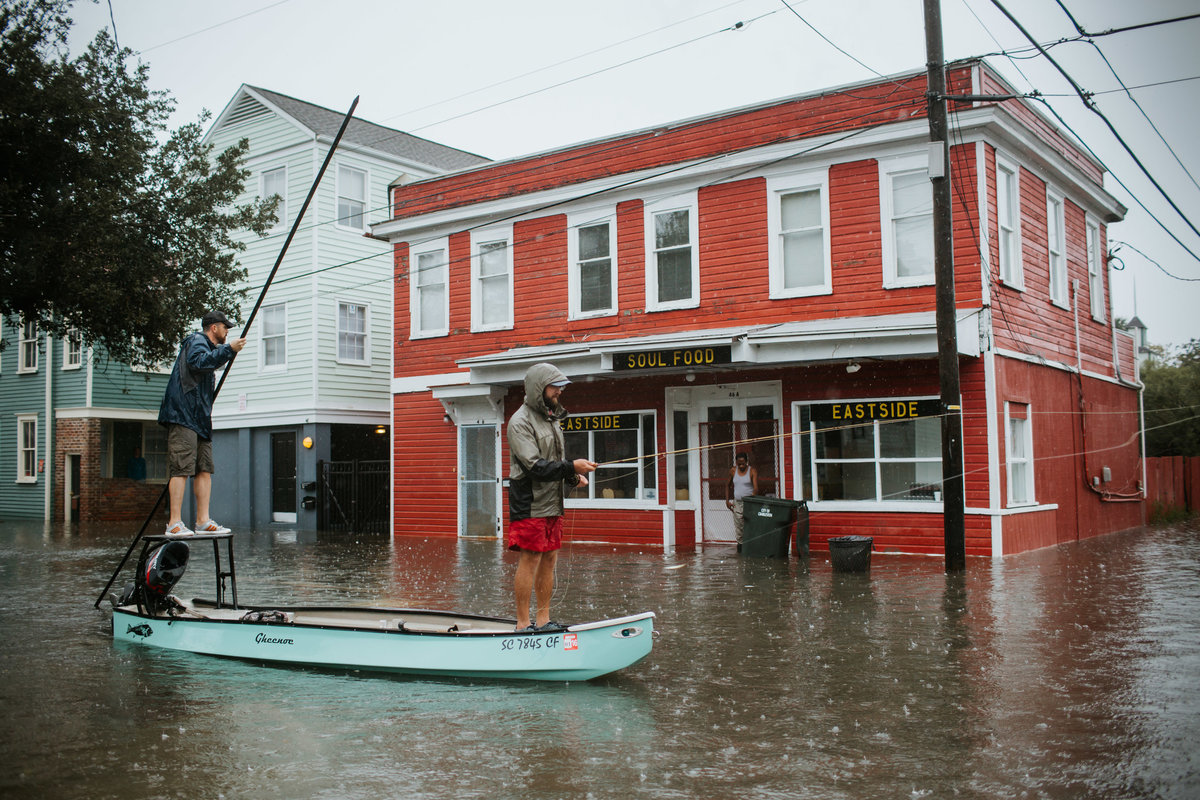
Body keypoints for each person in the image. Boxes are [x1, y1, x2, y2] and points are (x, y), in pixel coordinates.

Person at [506, 362, 597, 632]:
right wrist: (572, 467)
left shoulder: (551, 419)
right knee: (531, 558)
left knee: (550, 558)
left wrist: (572, 477)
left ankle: (543, 621)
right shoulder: (519, 422)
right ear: (538, 388)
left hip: (552, 501)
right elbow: (534, 466)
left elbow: (554, 461)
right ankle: (523, 623)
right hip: (529, 500)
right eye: (554, 386)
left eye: (561, 387)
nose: (559, 391)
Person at [157, 310, 246, 536]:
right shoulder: (197, 341)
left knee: (204, 469)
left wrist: (225, 351)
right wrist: (229, 349)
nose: (227, 331)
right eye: (225, 327)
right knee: (181, 468)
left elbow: (207, 363)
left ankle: (202, 521)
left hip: (200, 417)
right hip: (183, 414)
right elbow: (198, 363)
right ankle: (174, 523)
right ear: (214, 328)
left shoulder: (208, 348)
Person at [725, 451, 759, 548]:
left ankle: (750, 547)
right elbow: (727, 485)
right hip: (737, 503)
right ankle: (740, 547)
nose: (741, 466)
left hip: (749, 502)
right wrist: (727, 501)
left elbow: (756, 488)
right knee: (739, 526)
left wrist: (752, 497)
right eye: (738, 464)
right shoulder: (733, 471)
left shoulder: (752, 471)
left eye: (743, 464)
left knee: (749, 524)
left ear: (747, 462)